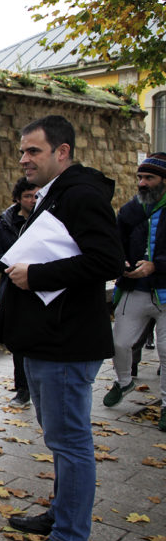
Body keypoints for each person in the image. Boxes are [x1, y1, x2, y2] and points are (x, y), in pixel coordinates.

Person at [0, 115, 123, 541]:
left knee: (70, 442)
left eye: (34, 151)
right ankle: (61, 513)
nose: (24, 159)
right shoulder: (58, 195)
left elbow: (108, 260)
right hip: (47, 340)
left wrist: (38, 275)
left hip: (66, 344)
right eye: (22, 151)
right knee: (59, 439)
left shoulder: (82, 195)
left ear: (62, 152)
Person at [105, 153, 166, 432]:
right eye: (140, 178)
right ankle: (124, 381)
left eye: (149, 178)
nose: (142, 183)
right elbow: (115, 242)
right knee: (119, 342)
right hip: (135, 289)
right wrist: (123, 264)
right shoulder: (130, 210)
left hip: (164, 291)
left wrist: (156, 266)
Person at [0, 177, 41, 408]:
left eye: (36, 196)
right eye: (28, 196)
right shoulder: (5, 225)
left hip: (40, 287)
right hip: (14, 290)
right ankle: (23, 388)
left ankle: (38, 385)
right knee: (18, 342)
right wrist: (11, 262)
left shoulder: (45, 221)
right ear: (18, 199)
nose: (32, 200)